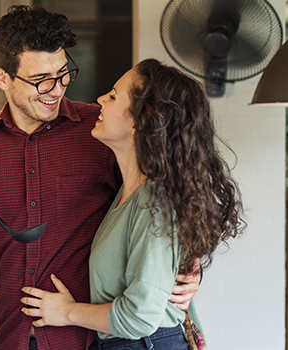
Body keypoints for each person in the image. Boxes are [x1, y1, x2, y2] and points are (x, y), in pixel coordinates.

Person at [0, 6, 201, 350]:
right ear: (2, 78)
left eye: (63, 73)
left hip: (89, 340)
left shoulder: (100, 129)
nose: (56, 89)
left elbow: (168, 197)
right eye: (41, 80)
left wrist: (190, 268)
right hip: (14, 339)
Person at [19, 59, 244, 349]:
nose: (100, 99)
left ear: (139, 121)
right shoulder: (130, 193)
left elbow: (139, 317)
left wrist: (65, 312)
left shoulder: (153, 201)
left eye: (113, 96)